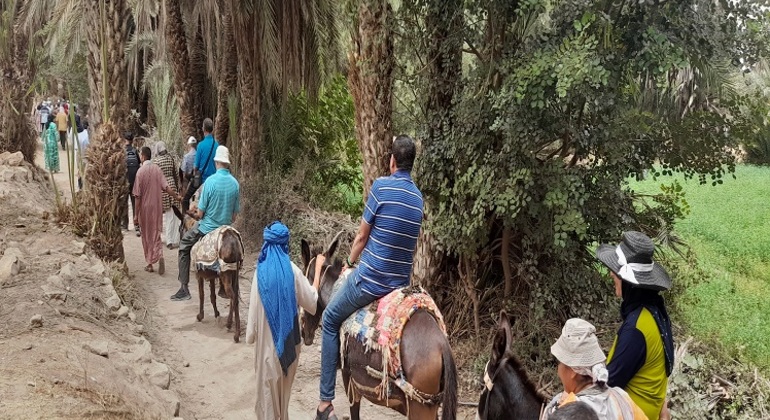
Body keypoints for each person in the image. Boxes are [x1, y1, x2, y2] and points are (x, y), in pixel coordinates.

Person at [316, 135, 423, 420]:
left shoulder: (381, 187)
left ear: (392, 161)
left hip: (371, 280)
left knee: (328, 321)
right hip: (400, 284)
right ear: (411, 164)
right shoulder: (418, 199)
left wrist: (350, 263)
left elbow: (362, 236)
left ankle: (325, 402)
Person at [246, 222, 321, 419]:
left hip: (265, 350)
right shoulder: (294, 271)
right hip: (290, 347)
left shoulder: (259, 273)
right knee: (284, 399)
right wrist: (318, 272)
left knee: (267, 401)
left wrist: (251, 336)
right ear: (285, 244)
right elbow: (312, 302)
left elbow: (253, 316)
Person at [596, 231, 674, 420]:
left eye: (614, 272)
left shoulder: (635, 330)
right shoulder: (655, 311)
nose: (611, 275)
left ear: (627, 281)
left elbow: (608, 385)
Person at [542, 318, 647, 420]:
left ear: (572, 371)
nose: (558, 370)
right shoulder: (622, 397)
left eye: (559, 362)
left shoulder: (567, 412)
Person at [171, 145, 240, 301]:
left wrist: (196, 213)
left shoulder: (209, 182)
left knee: (184, 246)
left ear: (216, 163)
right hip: (226, 228)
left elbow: (200, 213)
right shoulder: (235, 184)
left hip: (207, 228)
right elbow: (234, 216)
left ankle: (184, 288)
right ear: (227, 163)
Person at [132, 147, 180, 274]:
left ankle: (149, 263)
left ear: (142, 156)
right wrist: (177, 196)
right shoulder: (157, 170)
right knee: (156, 232)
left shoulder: (140, 172)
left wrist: (136, 215)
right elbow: (167, 187)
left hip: (145, 209)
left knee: (146, 235)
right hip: (157, 208)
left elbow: (137, 196)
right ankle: (160, 254)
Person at [182, 119, 218, 213]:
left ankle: (186, 221)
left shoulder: (201, 145)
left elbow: (196, 167)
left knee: (185, 199)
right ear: (212, 129)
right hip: (214, 179)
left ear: (203, 129)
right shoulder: (217, 144)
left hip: (202, 179)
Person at [152, 141, 181, 249]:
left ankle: (168, 240)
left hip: (162, 189)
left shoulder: (156, 161)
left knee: (166, 215)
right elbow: (176, 174)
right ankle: (175, 239)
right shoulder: (171, 158)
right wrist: (178, 188)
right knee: (174, 215)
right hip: (172, 186)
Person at [123, 133, 141, 235]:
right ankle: (136, 225)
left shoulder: (122, 151)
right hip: (134, 182)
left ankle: (124, 225)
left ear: (124, 140)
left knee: (124, 203)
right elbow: (139, 164)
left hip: (125, 182)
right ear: (132, 140)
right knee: (135, 204)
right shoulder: (135, 151)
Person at [180, 136, 197, 212]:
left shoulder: (186, 157)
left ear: (189, 145)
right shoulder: (198, 155)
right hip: (197, 180)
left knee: (185, 200)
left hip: (188, 180)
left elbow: (183, 170)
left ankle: (185, 216)